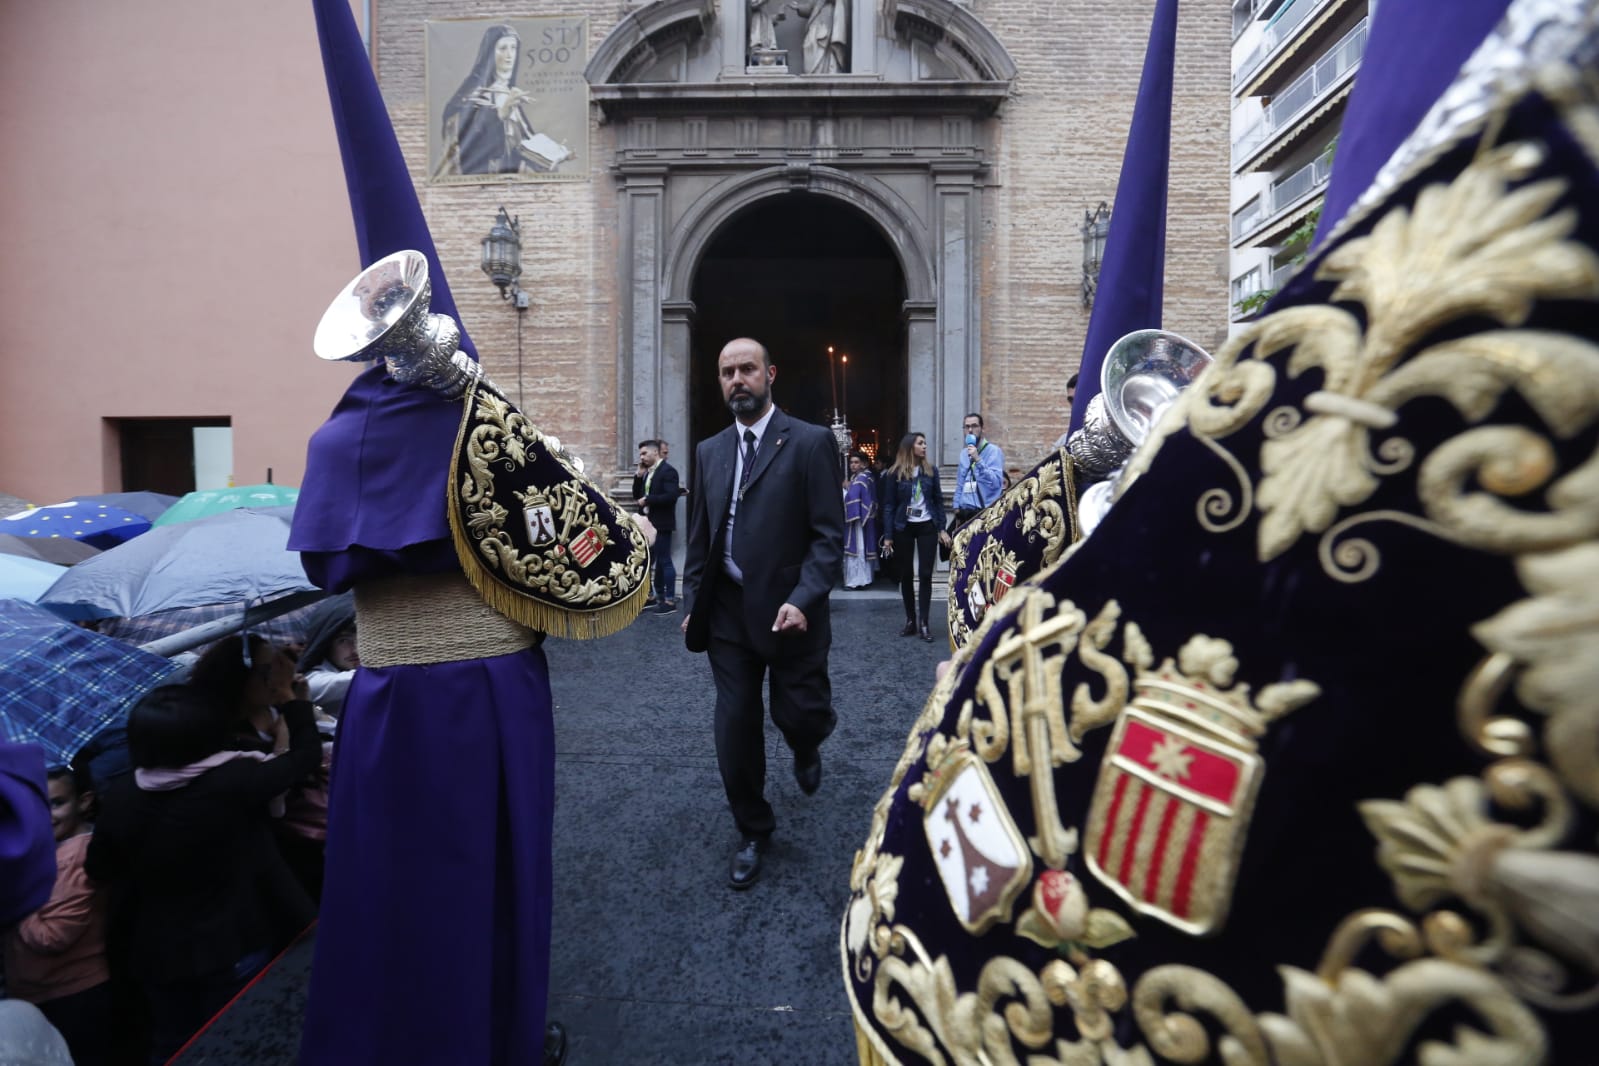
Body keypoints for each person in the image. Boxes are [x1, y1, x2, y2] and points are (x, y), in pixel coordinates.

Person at [681, 337, 844, 890]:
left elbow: (828, 538)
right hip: (727, 613)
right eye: (727, 372)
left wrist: (802, 600)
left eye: (747, 369)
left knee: (798, 712)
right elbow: (701, 536)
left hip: (789, 610)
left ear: (769, 374)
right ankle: (753, 829)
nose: (736, 380)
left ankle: (805, 740)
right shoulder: (708, 451)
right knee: (735, 724)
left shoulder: (811, 442)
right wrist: (692, 603)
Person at [87, 682, 320, 1065]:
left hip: (156, 953)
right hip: (231, 944)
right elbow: (306, 756)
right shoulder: (236, 780)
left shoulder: (121, 796)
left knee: (171, 1042)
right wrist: (295, 705)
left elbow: (100, 868)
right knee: (241, 1039)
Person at [3, 766, 114, 1066]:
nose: (46, 815)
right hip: (40, 993)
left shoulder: (78, 857)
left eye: (57, 803)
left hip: (76, 994)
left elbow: (52, 936)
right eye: (38, 806)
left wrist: (15, 896)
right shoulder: (48, 852)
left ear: (84, 801)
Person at [436, 24, 538, 176]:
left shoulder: (508, 92)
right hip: (483, 175)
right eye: (503, 48)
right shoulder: (473, 90)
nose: (510, 55)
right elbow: (461, 132)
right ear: (490, 53)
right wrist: (499, 115)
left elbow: (521, 141)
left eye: (513, 48)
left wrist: (550, 153)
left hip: (511, 176)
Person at [881, 432, 949, 642]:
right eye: (921, 443)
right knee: (907, 575)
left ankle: (924, 623)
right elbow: (889, 506)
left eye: (925, 443)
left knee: (926, 573)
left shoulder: (931, 471)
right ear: (910, 447)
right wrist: (888, 535)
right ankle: (911, 620)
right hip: (904, 527)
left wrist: (941, 528)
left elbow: (938, 501)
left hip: (927, 526)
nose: (925, 446)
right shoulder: (895, 473)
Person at [635, 440, 681, 613]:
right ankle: (651, 597)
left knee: (664, 561)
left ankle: (669, 602)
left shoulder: (668, 471)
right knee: (646, 561)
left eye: (644, 453)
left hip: (662, 524)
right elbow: (636, 495)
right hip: (647, 524)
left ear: (656, 453)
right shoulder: (648, 473)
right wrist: (638, 477)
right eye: (640, 454)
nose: (641, 457)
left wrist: (648, 499)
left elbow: (671, 496)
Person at [295, 592, 359, 716]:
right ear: (325, 644)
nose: (356, 650)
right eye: (344, 640)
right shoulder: (312, 681)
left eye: (362, 638)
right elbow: (363, 679)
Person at [952, 412, 1005, 527]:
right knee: (946, 544)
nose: (970, 430)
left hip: (983, 512)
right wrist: (956, 507)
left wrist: (978, 459)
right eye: (967, 427)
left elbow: (996, 483)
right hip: (964, 512)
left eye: (974, 426)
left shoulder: (993, 451)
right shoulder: (963, 454)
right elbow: (960, 482)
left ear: (982, 429)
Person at [842, 449, 879, 589]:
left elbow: (852, 498)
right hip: (858, 520)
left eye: (856, 462)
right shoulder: (856, 478)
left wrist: (846, 489)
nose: (853, 465)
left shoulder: (862, 478)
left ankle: (856, 581)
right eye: (851, 462)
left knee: (857, 549)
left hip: (857, 520)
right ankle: (861, 579)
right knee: (858, 549)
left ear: (863, 464)